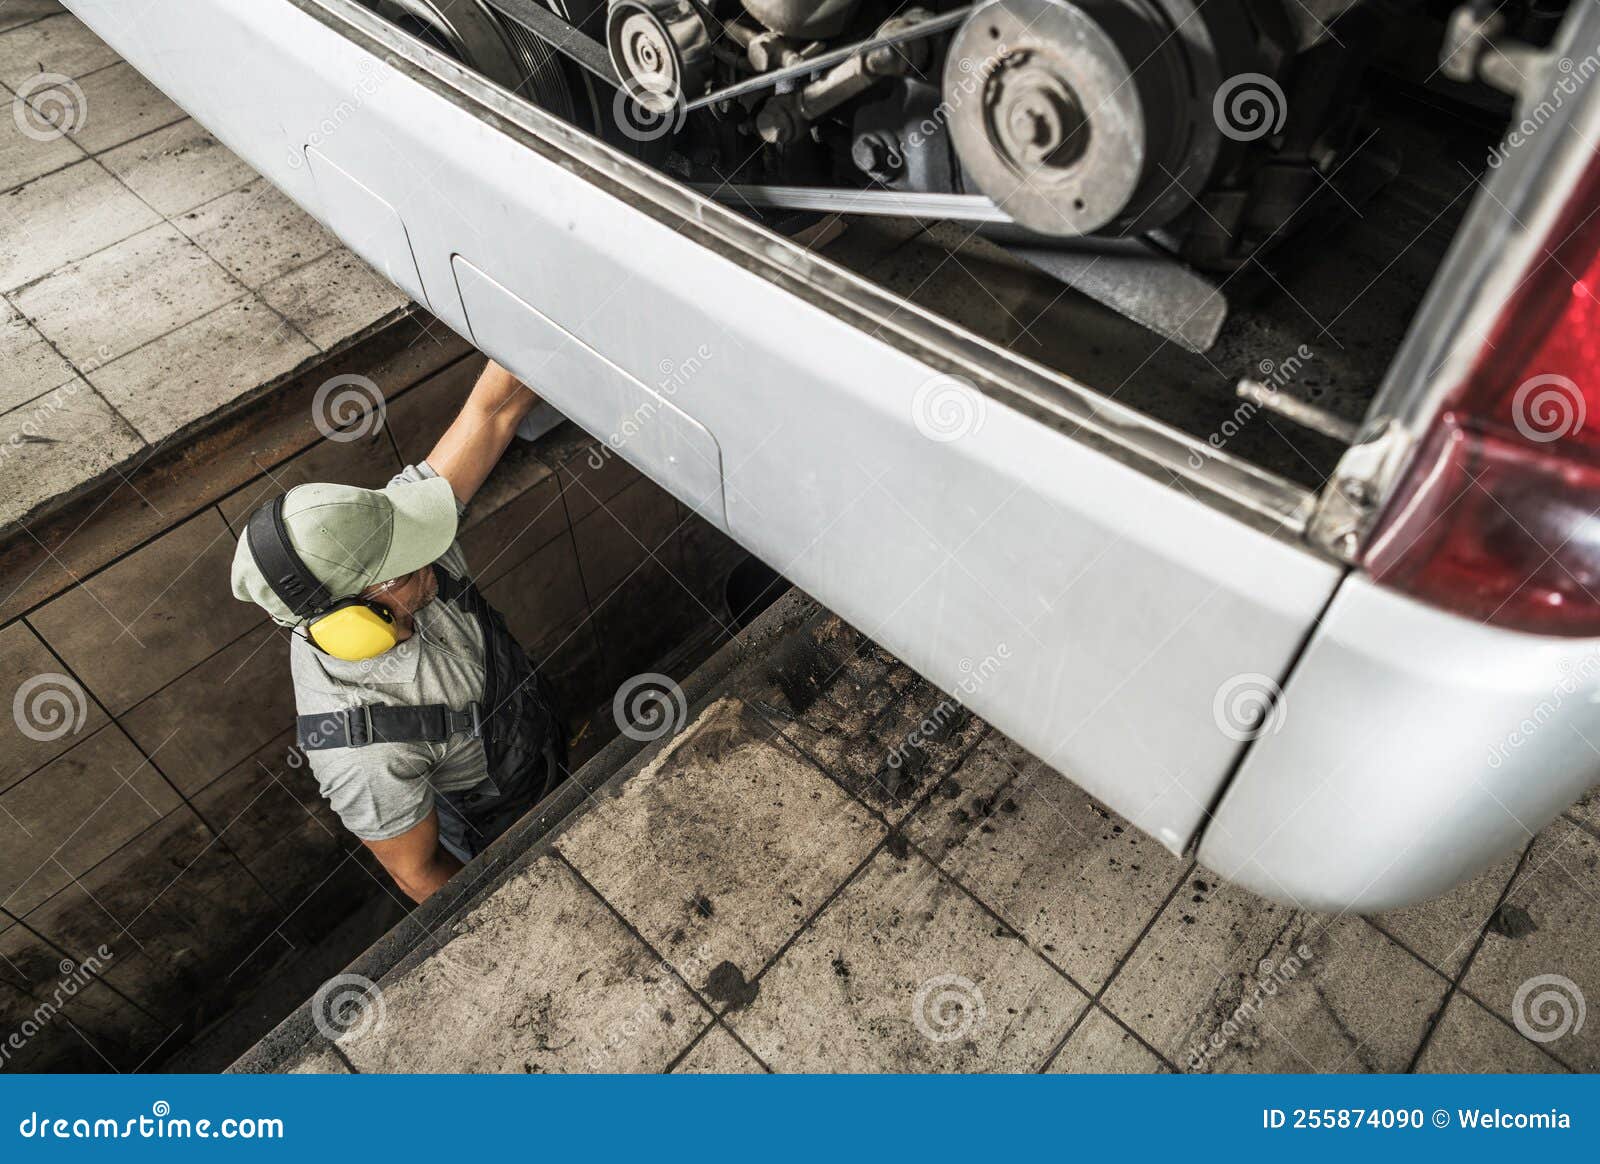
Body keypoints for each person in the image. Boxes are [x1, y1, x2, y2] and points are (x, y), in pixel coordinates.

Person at [230, 361, 564, 903]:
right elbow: (420, 873)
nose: (431, 555)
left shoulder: (397, 538)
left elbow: (496, 410)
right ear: (353, 615)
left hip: (536, 736)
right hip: (495, 814)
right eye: (406, 567)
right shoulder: (360, 751)